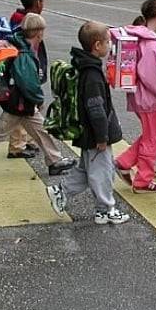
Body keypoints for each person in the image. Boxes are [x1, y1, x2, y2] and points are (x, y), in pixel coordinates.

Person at [0, 13, 76, 181]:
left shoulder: (17, 43)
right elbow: (27, 82)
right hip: (19, 103)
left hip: (19, 102)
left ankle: (55, 161)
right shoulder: (24, 53)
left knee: (41, 130)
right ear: (39, 33)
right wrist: (38, 98)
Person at [46, 21, 130, 225]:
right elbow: (96, 109)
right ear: (97, 45)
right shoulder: (92, 74)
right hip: (95, 134)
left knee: (87, 170)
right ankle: (107, 209)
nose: (110, 45)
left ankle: (61, 192)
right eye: (108, 42)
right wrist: (102, 136)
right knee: (102, 172)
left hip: (88, 132)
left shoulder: (85, 66)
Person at [114, 0, 156, 194]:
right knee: (153, 139)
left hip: (139, 96)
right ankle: (143, 180)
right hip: (149, 98)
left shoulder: (139, 36)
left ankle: (124, 162)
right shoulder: (151, 43)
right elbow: (152, 75)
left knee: (150, 134)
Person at [8, 0, 46, 158]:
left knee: (30, 109)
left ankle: (27, 141)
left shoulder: (20, 18)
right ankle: (17, 146)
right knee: (21, 109)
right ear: (38, 3)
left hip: (28, 70)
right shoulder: (26, 21)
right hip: (25, 72)